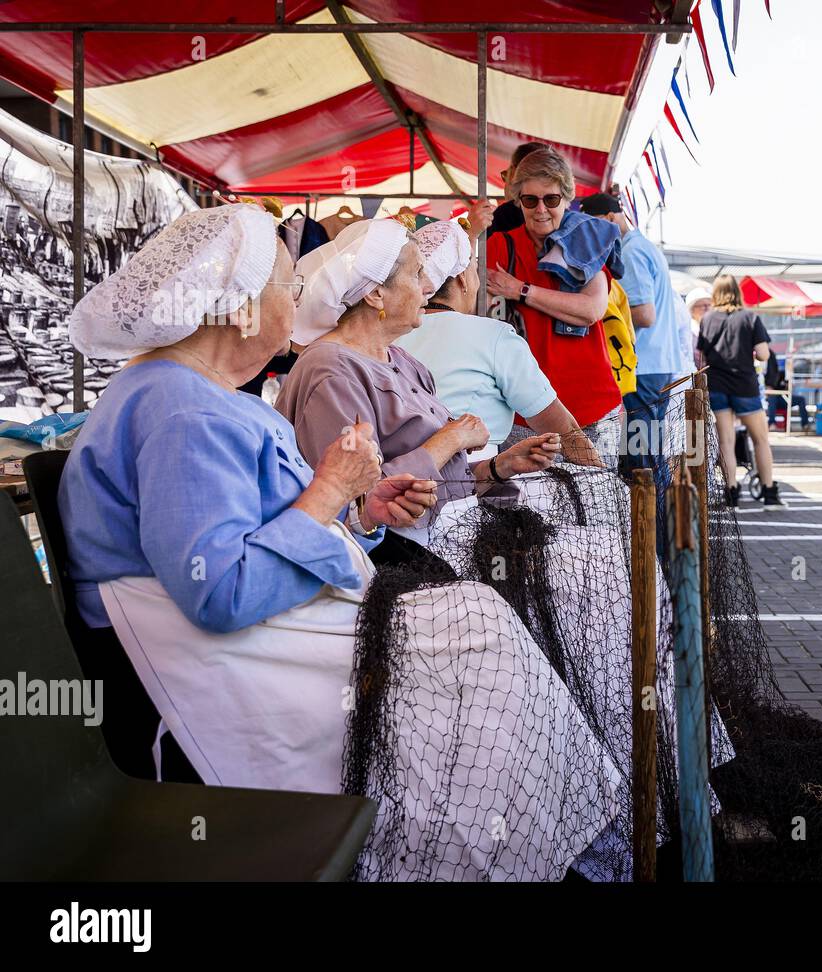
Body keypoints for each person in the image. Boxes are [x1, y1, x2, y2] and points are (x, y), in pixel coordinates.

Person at [58, 205, 621, 880]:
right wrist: (330, 492)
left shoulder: (196, 395)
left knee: (477, 629)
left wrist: (359, 512)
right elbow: (221, 591)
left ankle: (527, 853)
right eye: (279, 285)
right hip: (204, 666)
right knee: (475, 642)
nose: (293, 298)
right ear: (237, 307)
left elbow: (268, 530)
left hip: (256, 633)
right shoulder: (179, 409)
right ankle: (501, 859)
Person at [274, 217, 565, 559]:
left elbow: (435, 485)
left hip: (441, 544)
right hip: (391, 562)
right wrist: (451, 438)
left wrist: (497, 467)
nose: (428, 287)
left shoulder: (400, 358)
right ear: (375, 293)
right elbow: (357, 502)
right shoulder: (331, 370)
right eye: (416, 275)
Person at [395, 220, 601, 466]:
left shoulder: (390, 333)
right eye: (474, 267)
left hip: (399, 475)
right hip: (471, 482)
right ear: (463, 278)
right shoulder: (493, 336)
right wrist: (601, 474)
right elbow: (559, 425)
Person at [484, 147, 624, 465]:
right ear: (518, 201)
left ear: (567, 199)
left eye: (551, 199)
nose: (541, 210)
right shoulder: (499, 245)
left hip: (592, 409)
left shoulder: (585, 239)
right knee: (531, 513)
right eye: (530, 200)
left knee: (597, 509)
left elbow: (591, 309)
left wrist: (520, 290)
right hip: (525, 414)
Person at [579, 192, 686, 483]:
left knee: (643, 462)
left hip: (644, 369)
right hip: (655, 366)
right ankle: (657, 527)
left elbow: (645, 314)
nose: (591, 232)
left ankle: (655, 529)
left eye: (594, 223)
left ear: (611, 218)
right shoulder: (642, 246)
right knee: (648, 457)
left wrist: (598, 310)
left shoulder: (631, 251)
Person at [699, 274, 786, 509]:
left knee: (726, 442)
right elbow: (764, 353)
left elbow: (703, 355)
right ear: (737, 292)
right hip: (744, 387)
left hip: (717, 385)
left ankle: (731, 494)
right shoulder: (749, 317)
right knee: (760, 439)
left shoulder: (707, 319)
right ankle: (769, 493)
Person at [486, 140, 546, 238]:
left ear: (514, 174)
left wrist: (471, 234)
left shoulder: (505, 215)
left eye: (506, 175)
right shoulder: (567, 218)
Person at [764, 353, 809, 431]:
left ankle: (805, 424)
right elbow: (767, 390)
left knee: (801, 399)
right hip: (774, 401)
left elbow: (790, 388)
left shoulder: (787, 375)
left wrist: (789, 384)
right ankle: (772, 424)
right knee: (772, 397)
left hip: (784, 399)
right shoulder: (769, 375)